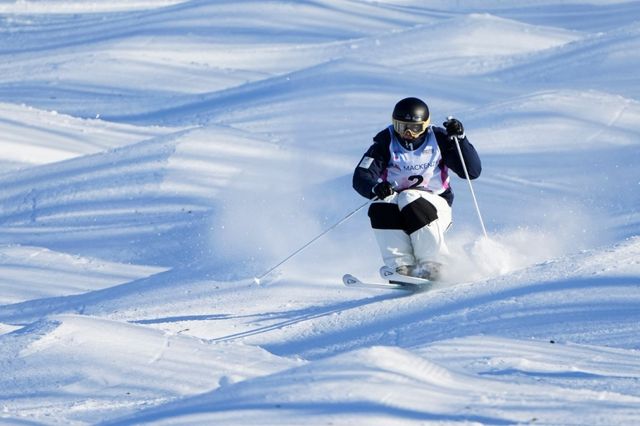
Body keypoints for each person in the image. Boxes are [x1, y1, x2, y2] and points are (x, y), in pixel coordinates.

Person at [352, 97, 481, 281]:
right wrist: (375, 188)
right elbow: (361, 176)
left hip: (436, 208)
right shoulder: (385, 143)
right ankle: (401, 267)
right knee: (381, 203)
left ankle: (435, 263)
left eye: (415, 128)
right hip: (401, 210)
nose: (408, 134)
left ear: (425, 125)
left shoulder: (439, 140)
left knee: (408, 196)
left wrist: (460, 140)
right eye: (401, 127)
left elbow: (472, 171)